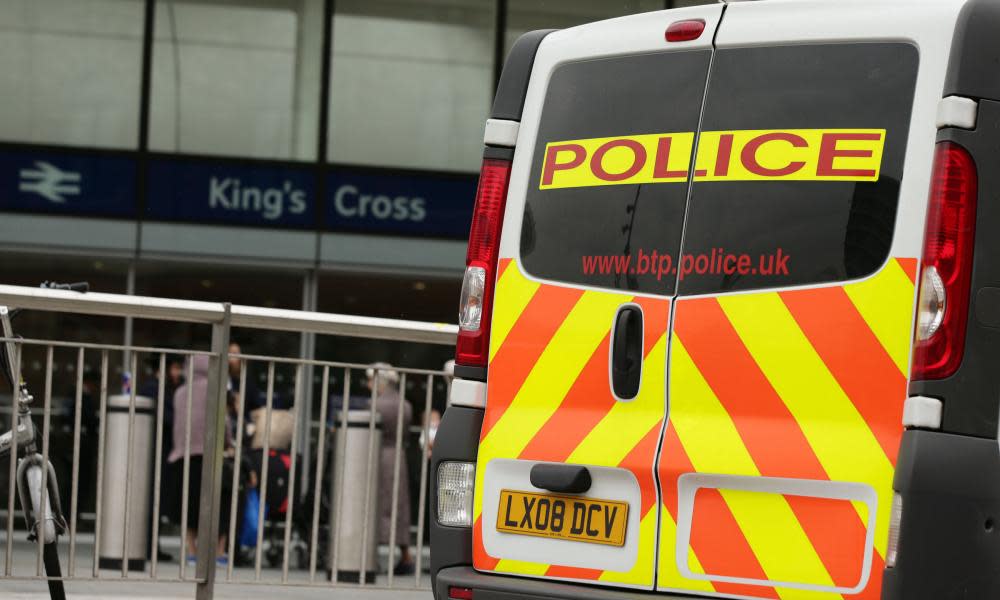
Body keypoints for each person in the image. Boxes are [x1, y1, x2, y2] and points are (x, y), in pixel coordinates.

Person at [168, 354, 232, 565]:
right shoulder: (216, 389)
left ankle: (192, 550)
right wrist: (227, 443)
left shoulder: (180, 393)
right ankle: (219, 552)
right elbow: (224, 423)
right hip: (210, 455)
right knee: (218, 503)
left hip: (184, 455)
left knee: (190, 504)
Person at [366, 362, 414, 574]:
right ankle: (405, 555)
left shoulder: (376, 404)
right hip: (398, 457)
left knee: (375, 503)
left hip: (379, 455)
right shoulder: (405, 405)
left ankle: (371, 556)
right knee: (398, 506)